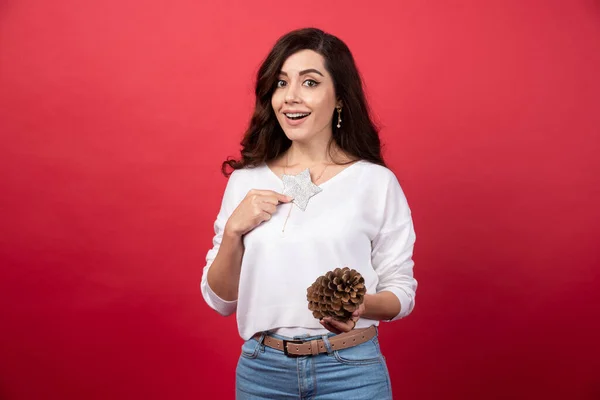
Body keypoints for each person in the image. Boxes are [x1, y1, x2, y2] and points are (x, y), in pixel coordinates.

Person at [201, 27, 417, 399]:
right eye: (281, 83)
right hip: (262, 373)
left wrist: (360, 305)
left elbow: (401, 291)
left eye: (310, 82)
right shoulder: (245, 182)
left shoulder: (375, 182)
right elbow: (220, 300)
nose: (290, 97)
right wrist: (234, 231)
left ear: (339, 99)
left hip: (351, 372)